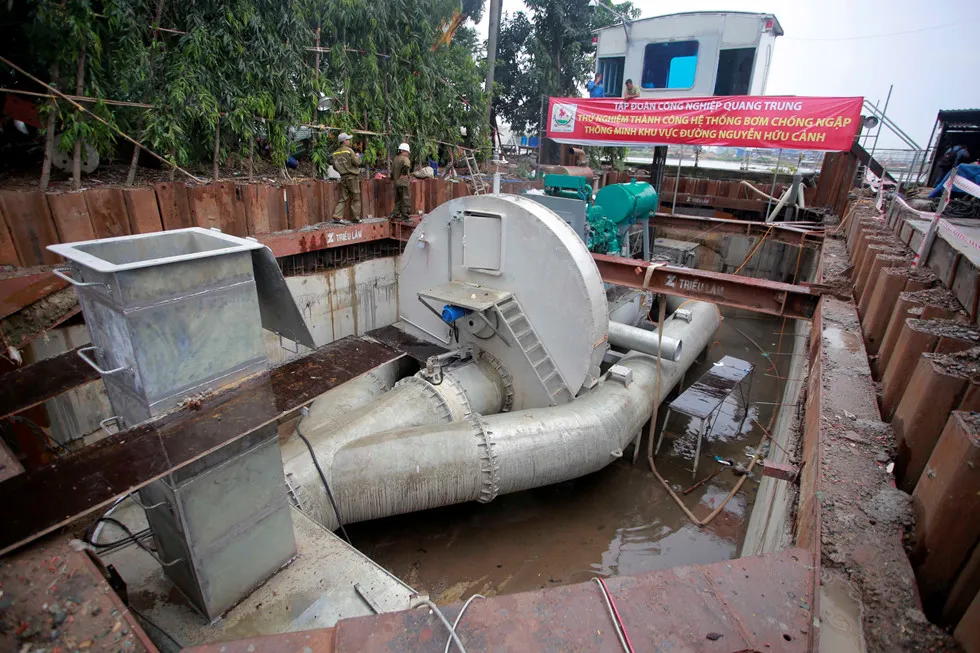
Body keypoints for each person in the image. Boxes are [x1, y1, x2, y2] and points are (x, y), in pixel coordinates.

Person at [331, 132, 362, 223]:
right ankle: (356, 218)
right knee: (356, 197)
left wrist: (342, 171)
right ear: (345, 141)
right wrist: (357, 156)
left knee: (343, 197)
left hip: (343, 177)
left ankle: (337, 215)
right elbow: (357, 162)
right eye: (348, 140)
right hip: (352, 177)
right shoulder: (349, 151)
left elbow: (334, 166)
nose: (349, 141)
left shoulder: (335, 153)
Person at [391, 142, 412, 220]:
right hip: (403, 182)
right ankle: (405, 216)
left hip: (397, 182)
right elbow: (407, 165)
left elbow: (392, 172)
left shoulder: (396, 159)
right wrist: (404, 173)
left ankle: (395, 214)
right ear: (403, 151)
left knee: (398, 199)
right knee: (405, 198)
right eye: (407, 152)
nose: (407, 154)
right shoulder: (405, 158)